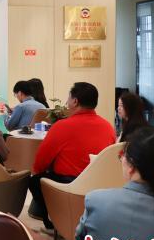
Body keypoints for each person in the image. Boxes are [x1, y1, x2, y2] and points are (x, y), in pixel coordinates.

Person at [29, 82, 116, 228]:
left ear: (75, 101)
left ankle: (52, 223)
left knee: (34, 181)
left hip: (69, 185)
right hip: (100, 185)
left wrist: (39, 172)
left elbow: (40, 162)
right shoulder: (108, 127)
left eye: (68, 98)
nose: (66, 101)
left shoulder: (62, 126)